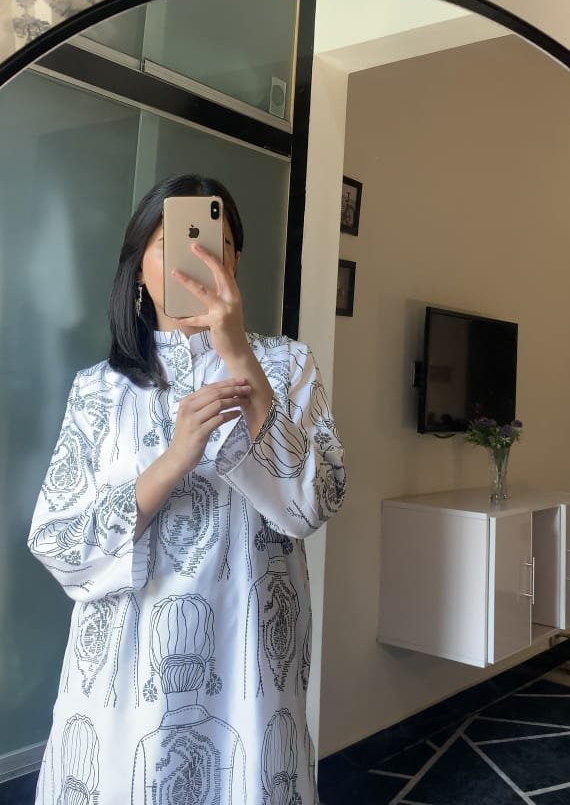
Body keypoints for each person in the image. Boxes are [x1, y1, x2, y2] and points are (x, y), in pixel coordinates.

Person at [28, 173, 346, 805]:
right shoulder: (99, 389)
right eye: (175, 243)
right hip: (124, 677)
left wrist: (241, 360)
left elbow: (314, 504)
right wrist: (173, 461)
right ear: (138, 270)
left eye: (217, 244)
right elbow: (58, 544)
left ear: (237, 263)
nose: (199, 259)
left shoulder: (287, 366)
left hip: (248, 664)